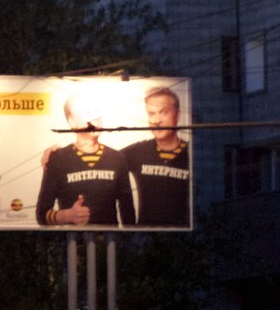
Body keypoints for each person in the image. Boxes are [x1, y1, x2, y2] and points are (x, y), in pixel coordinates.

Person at [35, 92, 133, 227]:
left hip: (109, 243)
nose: (94, 118)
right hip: (71, 243)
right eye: (87, 113)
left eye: (96, 112)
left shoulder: (117, 159)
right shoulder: (58, 160)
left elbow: (128, 214)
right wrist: (67, 216)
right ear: (72, 122)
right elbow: (41, 215)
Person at [120, 84, 192, 227]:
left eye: (164, 112)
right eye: (151, 114)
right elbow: (106, 159)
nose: (157, 120)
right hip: (144, 239)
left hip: (185, 240)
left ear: (177, 115)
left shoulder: (191, 153)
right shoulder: (138, 152)